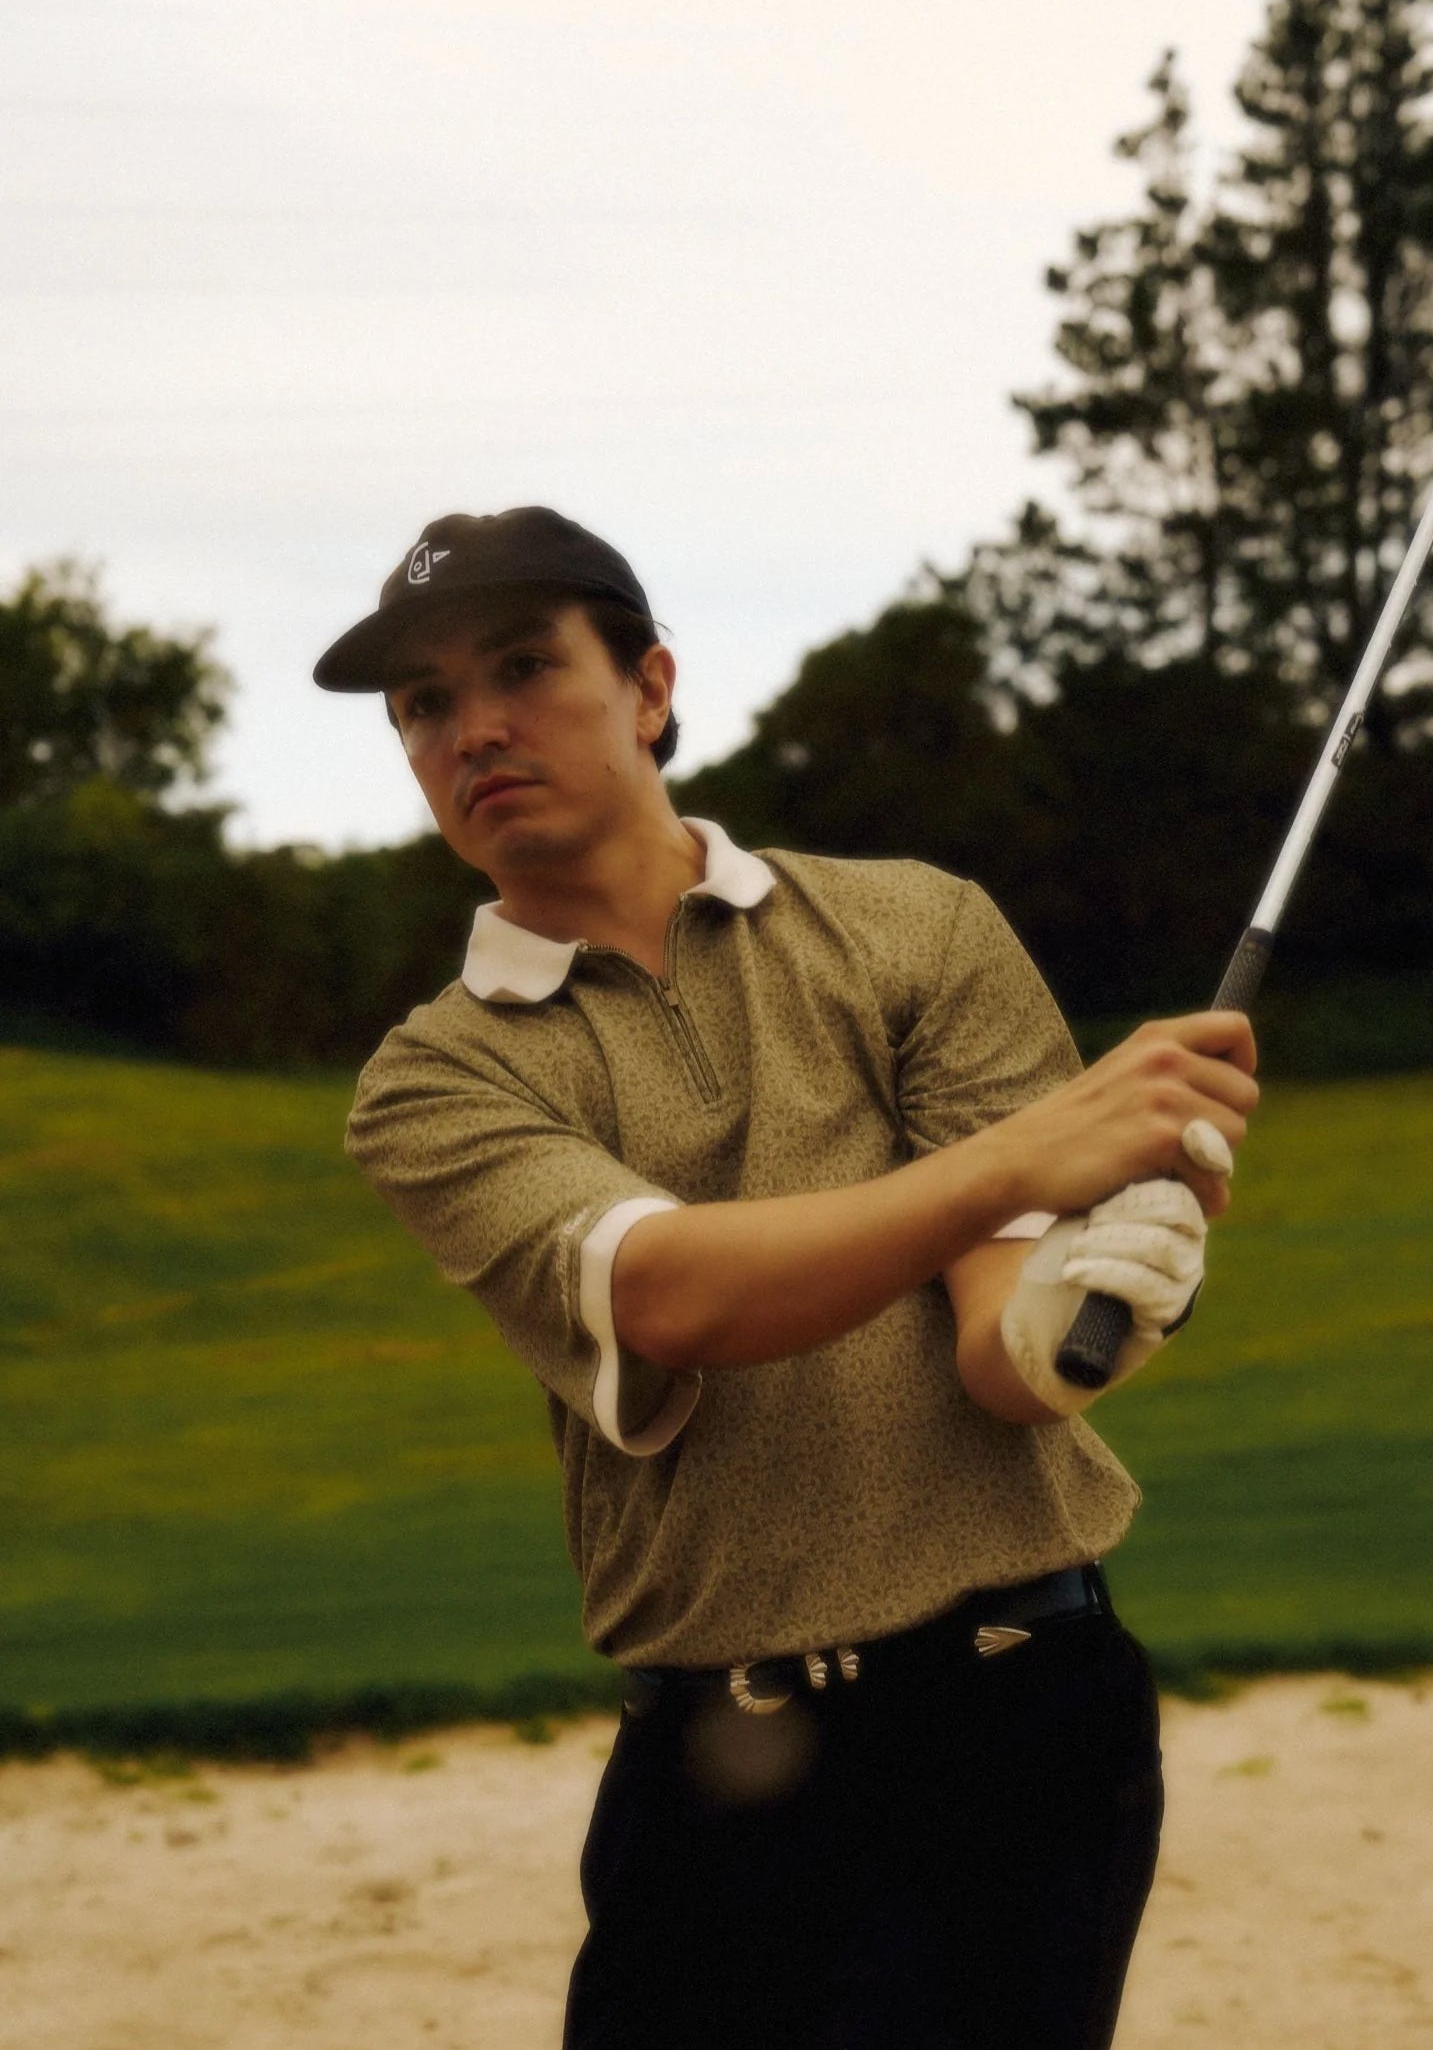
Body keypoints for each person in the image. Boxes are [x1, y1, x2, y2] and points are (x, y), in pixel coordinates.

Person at [314, 506, 1259, 2050]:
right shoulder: (433, 1075)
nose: (472, 725)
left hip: (1021, 1714)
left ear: (650, 686)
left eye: (523, 666)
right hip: (717, 1757)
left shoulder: (914, 926)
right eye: (421, 702)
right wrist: (1030, 1154)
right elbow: (673, 1295)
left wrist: (1105, 1297)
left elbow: (1000, 1358)